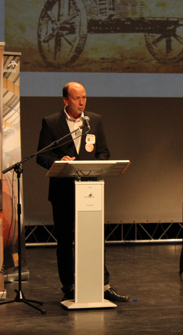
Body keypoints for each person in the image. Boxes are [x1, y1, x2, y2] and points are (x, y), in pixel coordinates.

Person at [36, 82, 129, 303]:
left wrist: (97, 165)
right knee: (65, 241)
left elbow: (103, 153)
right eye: (77, 98)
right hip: (63, 191)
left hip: (89, 190)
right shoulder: (51, 122)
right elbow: (42, 155)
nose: (82, 102)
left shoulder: (94, 120)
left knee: (94, 238)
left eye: (84, 97)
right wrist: (59, 161)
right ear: (65, 100)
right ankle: (69, 286)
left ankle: (103, 285)